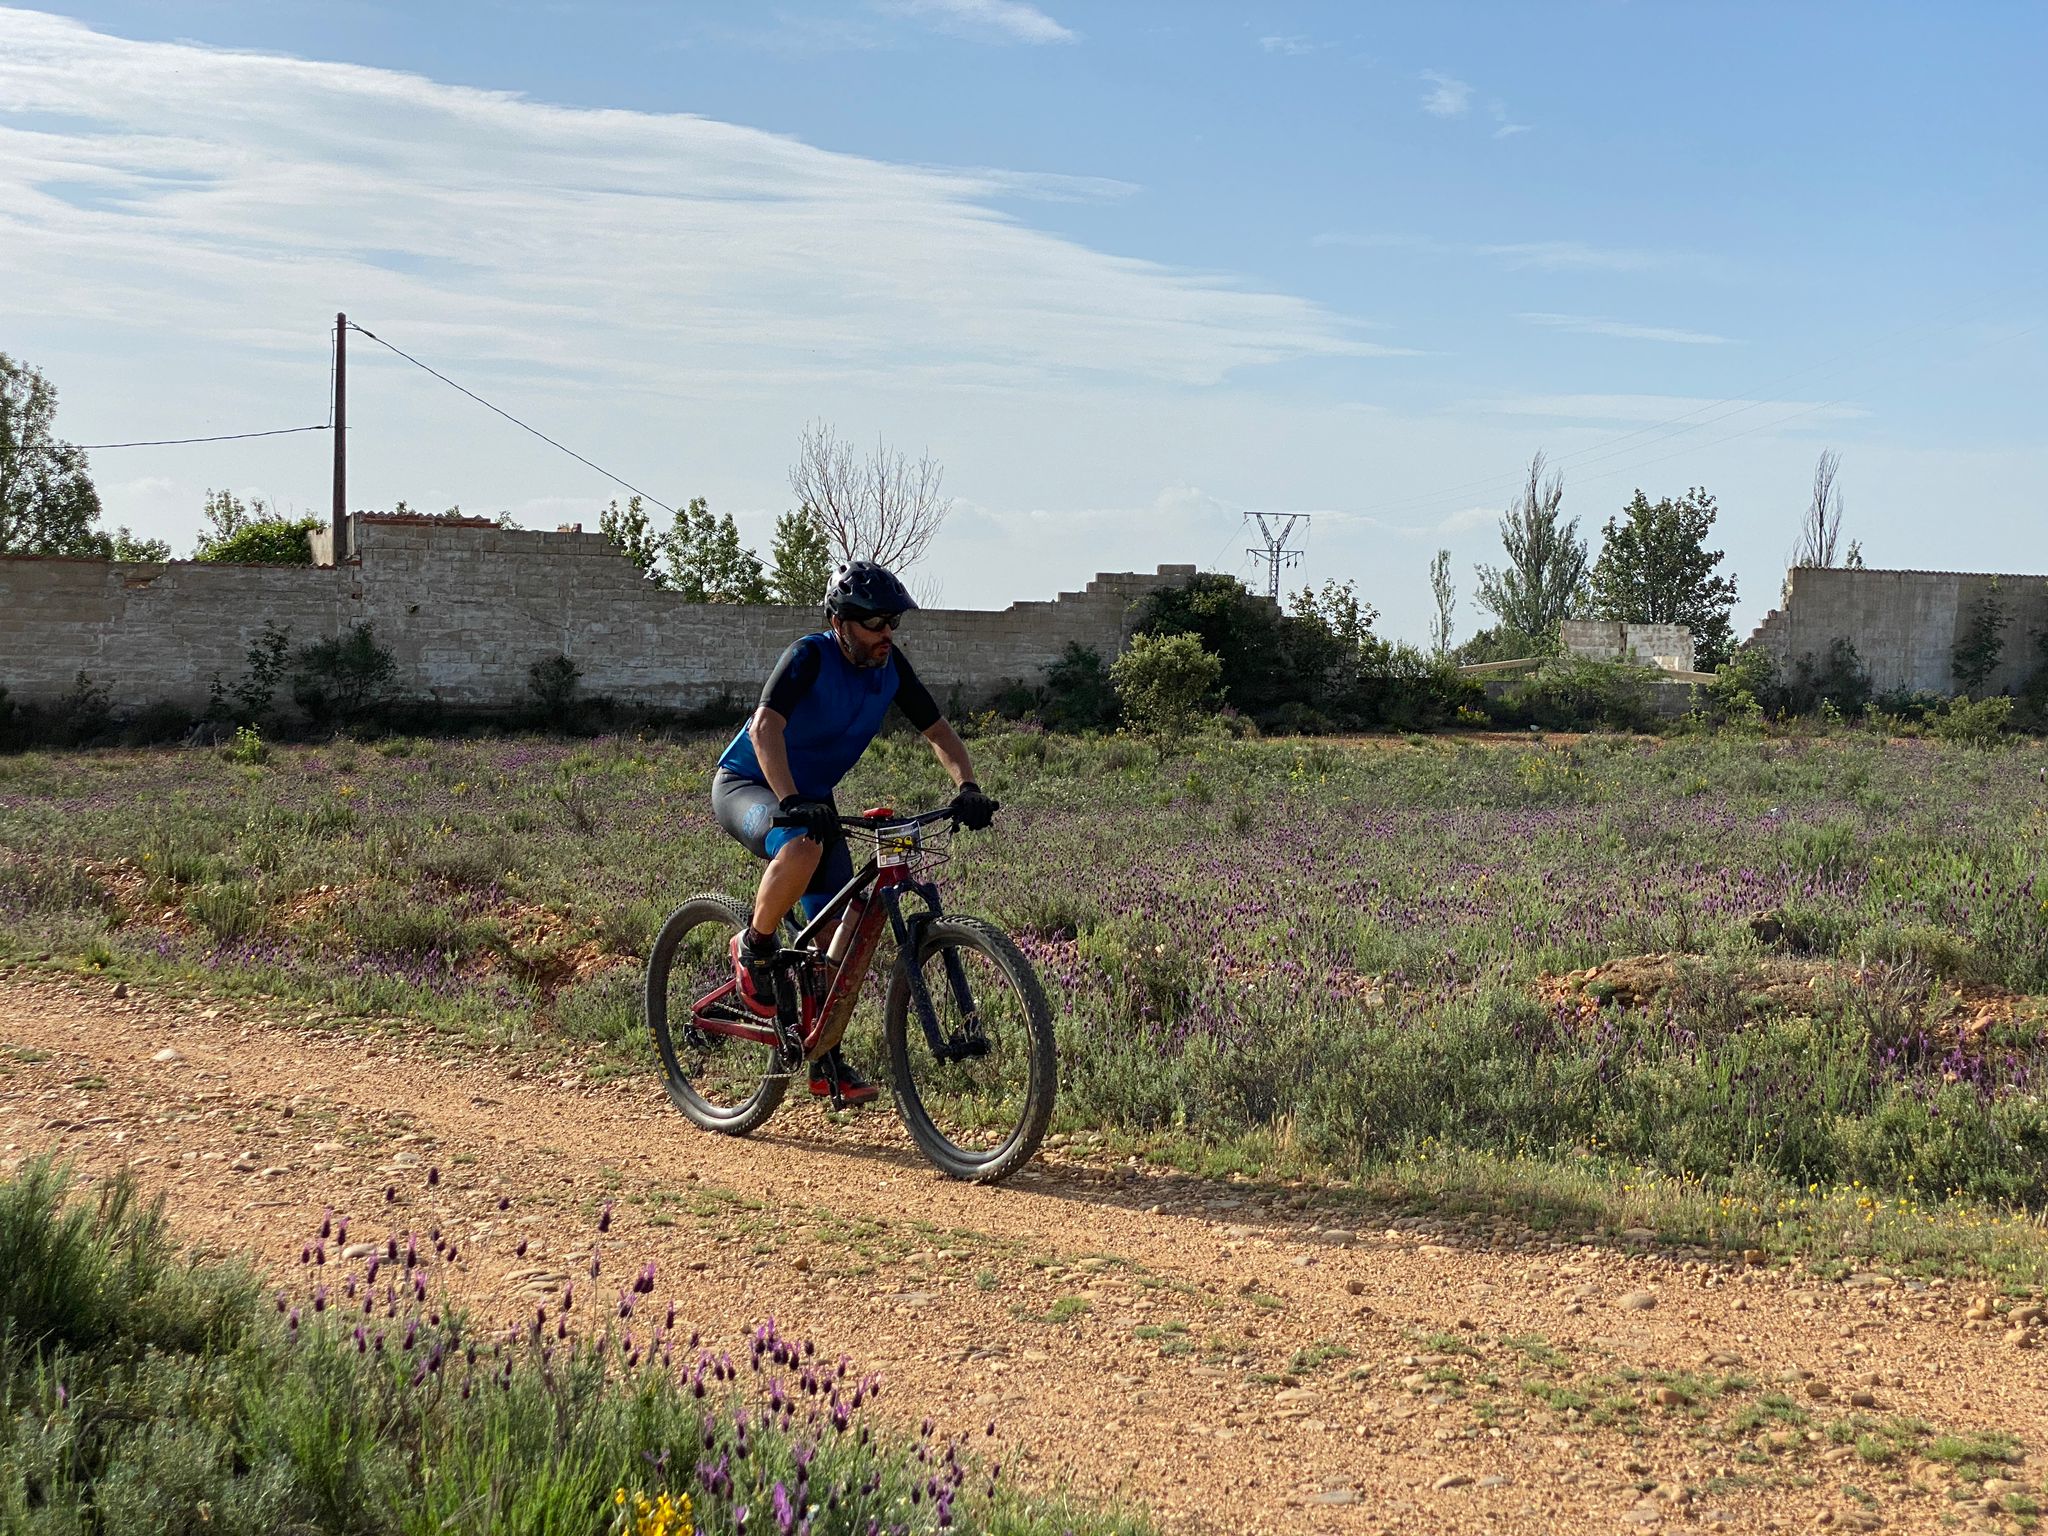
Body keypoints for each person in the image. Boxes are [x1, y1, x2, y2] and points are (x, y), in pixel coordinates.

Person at [710, 560, 998, 1105]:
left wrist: (967, 786)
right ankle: (753, 945)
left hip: (811, 799)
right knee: (801, 845)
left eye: (892, 622)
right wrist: (791, 800)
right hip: (748, 783)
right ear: (840, 622)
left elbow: (937, 730)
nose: (887, 633)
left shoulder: (890, 669)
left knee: (836, 936)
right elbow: (766, 727)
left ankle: (825, 1061)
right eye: (874, 623)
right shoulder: (807, 656)